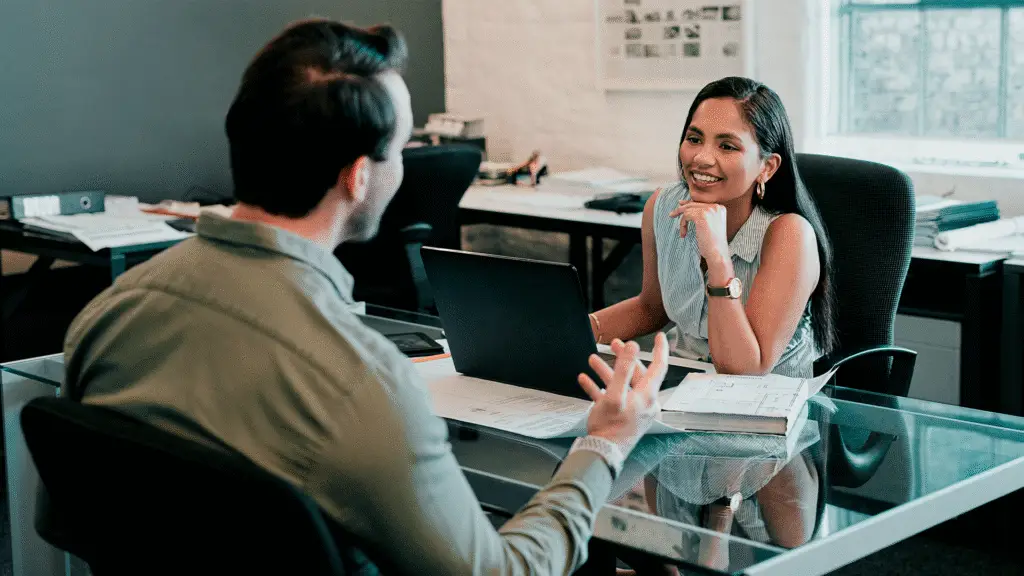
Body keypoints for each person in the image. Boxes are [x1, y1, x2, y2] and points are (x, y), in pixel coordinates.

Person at [61, 19, 671, 575]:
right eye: (401, 150)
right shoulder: (359, 381)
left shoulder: (113, 311)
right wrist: (605, 442)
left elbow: (64, 517)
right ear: (357, 176)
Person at [588, 77, 837, 378]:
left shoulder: (790, 235)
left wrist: (718, 258)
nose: (702, 158)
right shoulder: (663, 206)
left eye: (727, 146)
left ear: (767, 167)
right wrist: (576, 329)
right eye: (694, 139)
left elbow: (744, 369)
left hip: (763, 398)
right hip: (680, 382)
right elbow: (652, 308)